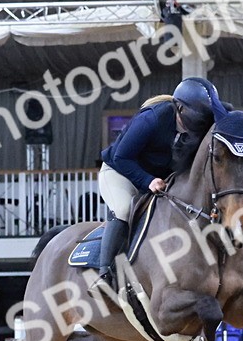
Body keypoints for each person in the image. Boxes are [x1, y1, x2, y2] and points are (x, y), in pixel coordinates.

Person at [92, 77, 221, 288]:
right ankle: (104, 273)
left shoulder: (199, 124)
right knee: (124, 209)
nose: (201, 125)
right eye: (199, 118)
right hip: (120, 172)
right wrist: (147, 180)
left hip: (159, 179)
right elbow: (121, 158)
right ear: (179, 108)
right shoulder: (151, 119)